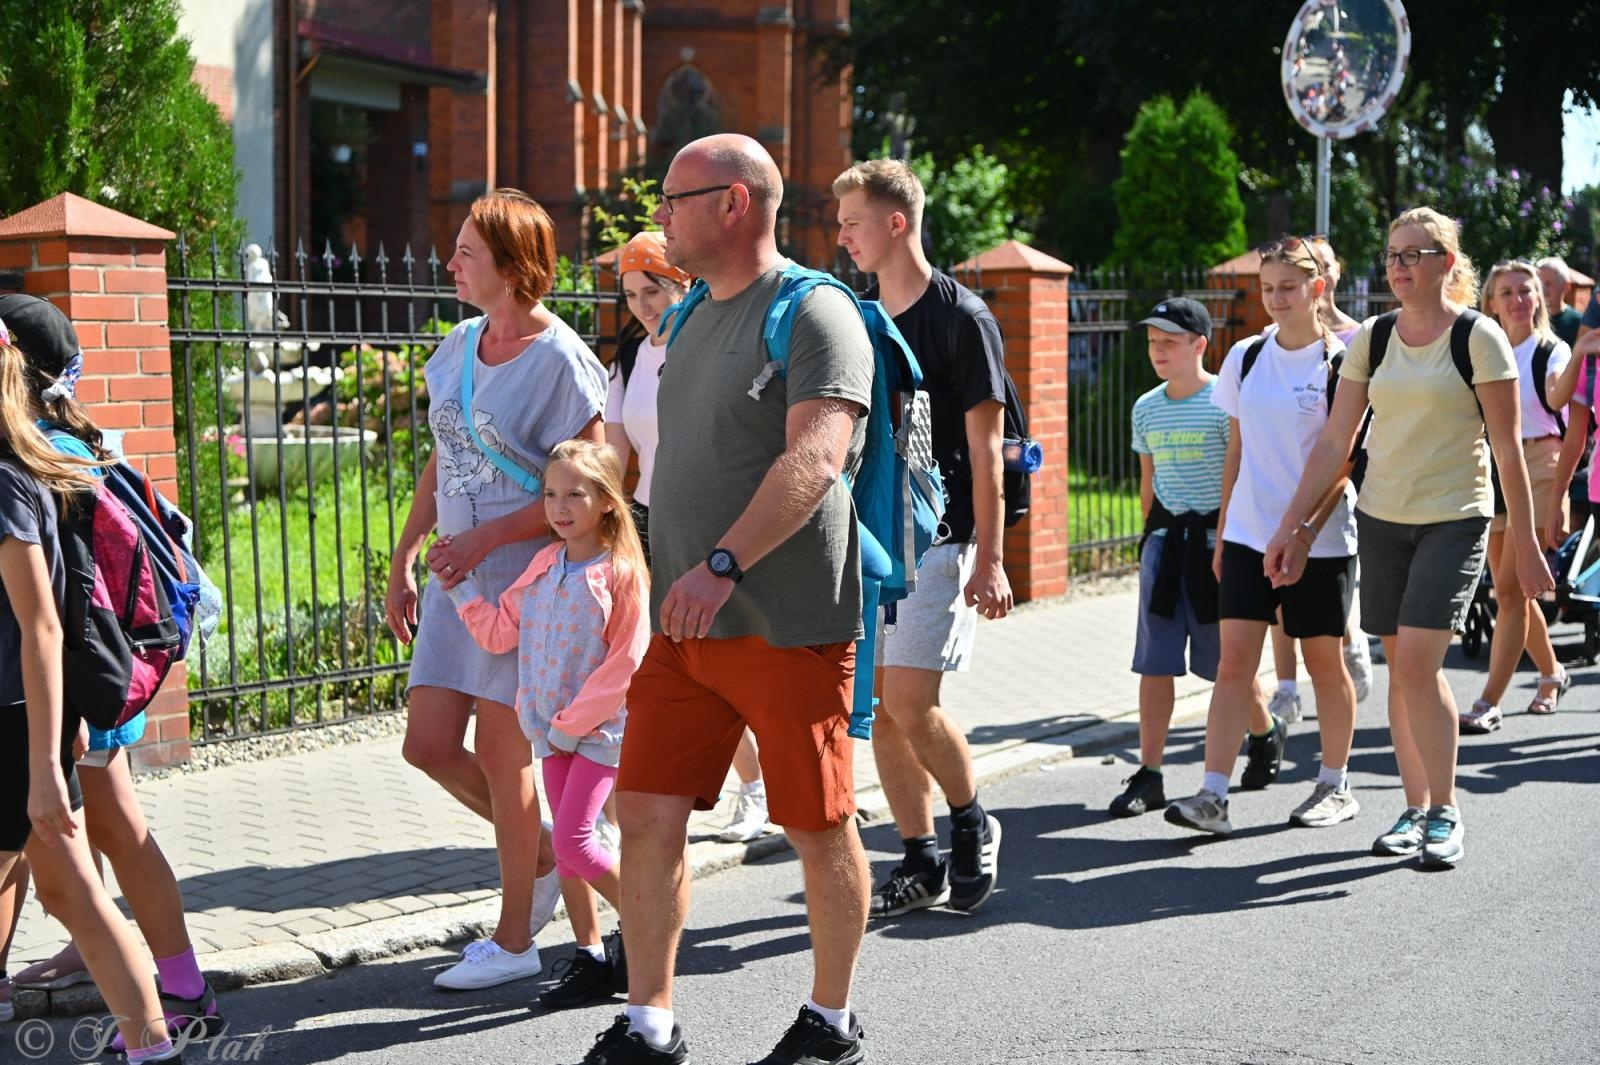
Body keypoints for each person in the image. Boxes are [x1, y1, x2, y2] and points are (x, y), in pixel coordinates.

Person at [568, 133, 874, 1065]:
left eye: (674, 195)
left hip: (784, 623)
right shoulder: (691, 315)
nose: (658, 212)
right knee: (647, 811)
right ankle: (651, 1020)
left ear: (735, 203)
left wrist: (724, 563)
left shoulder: (816, 313)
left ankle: (831, 1021)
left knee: (817, 825)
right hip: (683, 627)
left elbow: (815, 457)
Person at [1265, 207, 1554, 869]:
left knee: (1420, 666)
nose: (1398, 266)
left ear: (1446, 263)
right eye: (1392, 254)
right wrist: (1292, 528)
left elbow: (1509, 450)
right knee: (1402, 673)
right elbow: (1337, 440)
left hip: (1455, 515)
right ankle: (1416, 806)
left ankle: (1446, 811)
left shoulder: (1479, 337)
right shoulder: (1372, 337)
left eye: (1414, 254)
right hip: (1383, 518)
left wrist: (1531, 546)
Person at [385, 188, 607, 990]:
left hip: (530, 584)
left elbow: (589, 490)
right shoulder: (458, 345)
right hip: (455, 580)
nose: (450, 263)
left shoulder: (562, 361)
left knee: (506, 756)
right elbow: (443, 456)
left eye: (467, 253)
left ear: (514, 269)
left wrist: (487, 536)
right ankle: (545, 855)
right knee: (429, 744)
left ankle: (516, 937)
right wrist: (406, 552)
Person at [0, 294, 224, 1047]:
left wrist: (45, 753)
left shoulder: (25, 457)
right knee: (98, 846)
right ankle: (180, 990)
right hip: (94, 673)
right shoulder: (78, 439)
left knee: (76, 854)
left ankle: (159, 1016)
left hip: (55, 690)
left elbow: (40, 617)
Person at [832, 159, 1007, 916]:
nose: (841, 239)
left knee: (909, 698)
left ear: (895, 222)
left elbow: (989, 446)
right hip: (875, 535)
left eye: (852, 223)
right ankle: (919, 855)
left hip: (943, 534)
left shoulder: (961, 318)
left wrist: (991, 558)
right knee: (876, 702)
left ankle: (971, 817)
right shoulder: (857, 319)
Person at [1165, 238, 1360, 836]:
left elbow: (1347, 459)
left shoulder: (1341, 364)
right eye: (1268, 288)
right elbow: (1238, 451)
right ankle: (1213, 795)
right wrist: (1226, 532)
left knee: (1323, 663)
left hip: (1319, 540)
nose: (1276, 299)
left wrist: (1300, 532)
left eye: (1289, 288)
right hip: (1250, 536)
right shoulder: (1246, 357)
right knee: (1233, 666)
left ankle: (1334, 783)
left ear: (1316, 290)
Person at [449, 439, 647, 1009]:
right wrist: (460, 589)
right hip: (547, 732)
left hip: (597, 736)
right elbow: (498, 633)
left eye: (575, 495)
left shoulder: (622, 573)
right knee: (566, 851)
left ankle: (645, 926)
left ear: (607, 502)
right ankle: (590, 955)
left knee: (576, 843)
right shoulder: (543, 564)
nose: (560, 507)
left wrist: (573, 723)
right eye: (551, 495)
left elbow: (625, 663)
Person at [603, 232, 772, 845]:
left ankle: (757, 791)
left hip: (706, 525)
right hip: (648, 522)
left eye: (653, 289)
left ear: (682, 282)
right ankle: (641, 797)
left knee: (711, 663)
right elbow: (612, 454)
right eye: (631, 294)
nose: (643, 305)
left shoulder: (705, 342)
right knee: (658, 666)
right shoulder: (629, 354)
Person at [1112, 298, 1276, 818]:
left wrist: (1227, 542)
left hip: (1215, 548)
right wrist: (1150, 540)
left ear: (1200, 345)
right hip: (1166, 546)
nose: (1157, 351)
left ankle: (1265, 731)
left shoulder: (1224, 403)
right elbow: (1147, 481)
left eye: (1170, 342)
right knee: (1155, 662)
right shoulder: (1146, 406)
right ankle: (1151, 772)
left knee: (1225, 663)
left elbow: (1239, 477)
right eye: (1152, 342)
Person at [1461, 261, 1580, 731]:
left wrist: (1560, 499)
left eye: (1526, 291)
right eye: (1506, 292)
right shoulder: (1482, 350)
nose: (1517, 300)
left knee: (1508, 591)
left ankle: (1490, 699)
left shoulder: (1552, 349)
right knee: (1511, 591)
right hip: (1494, 466)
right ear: (1491, 302)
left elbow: (1554, 398)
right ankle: (1551, 674)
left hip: (1540, 464)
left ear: (1540, 298)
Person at [1266, 238, 1374, 715]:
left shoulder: (1356, 339)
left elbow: (1347, 439)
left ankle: (1349, 636)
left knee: (1322, 574)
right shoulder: (1275, 339)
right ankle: (1286, 685)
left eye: (1325, 265)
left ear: (1327, 278)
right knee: (1278, 590)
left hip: (1345, 474)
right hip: (1284, 480)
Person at [1539, 256, 1583, 348]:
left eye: (1548, 284)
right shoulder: (1529, 319)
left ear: (1566, 287)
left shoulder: (1578, 322)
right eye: (1539, 284)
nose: (1542, 289)